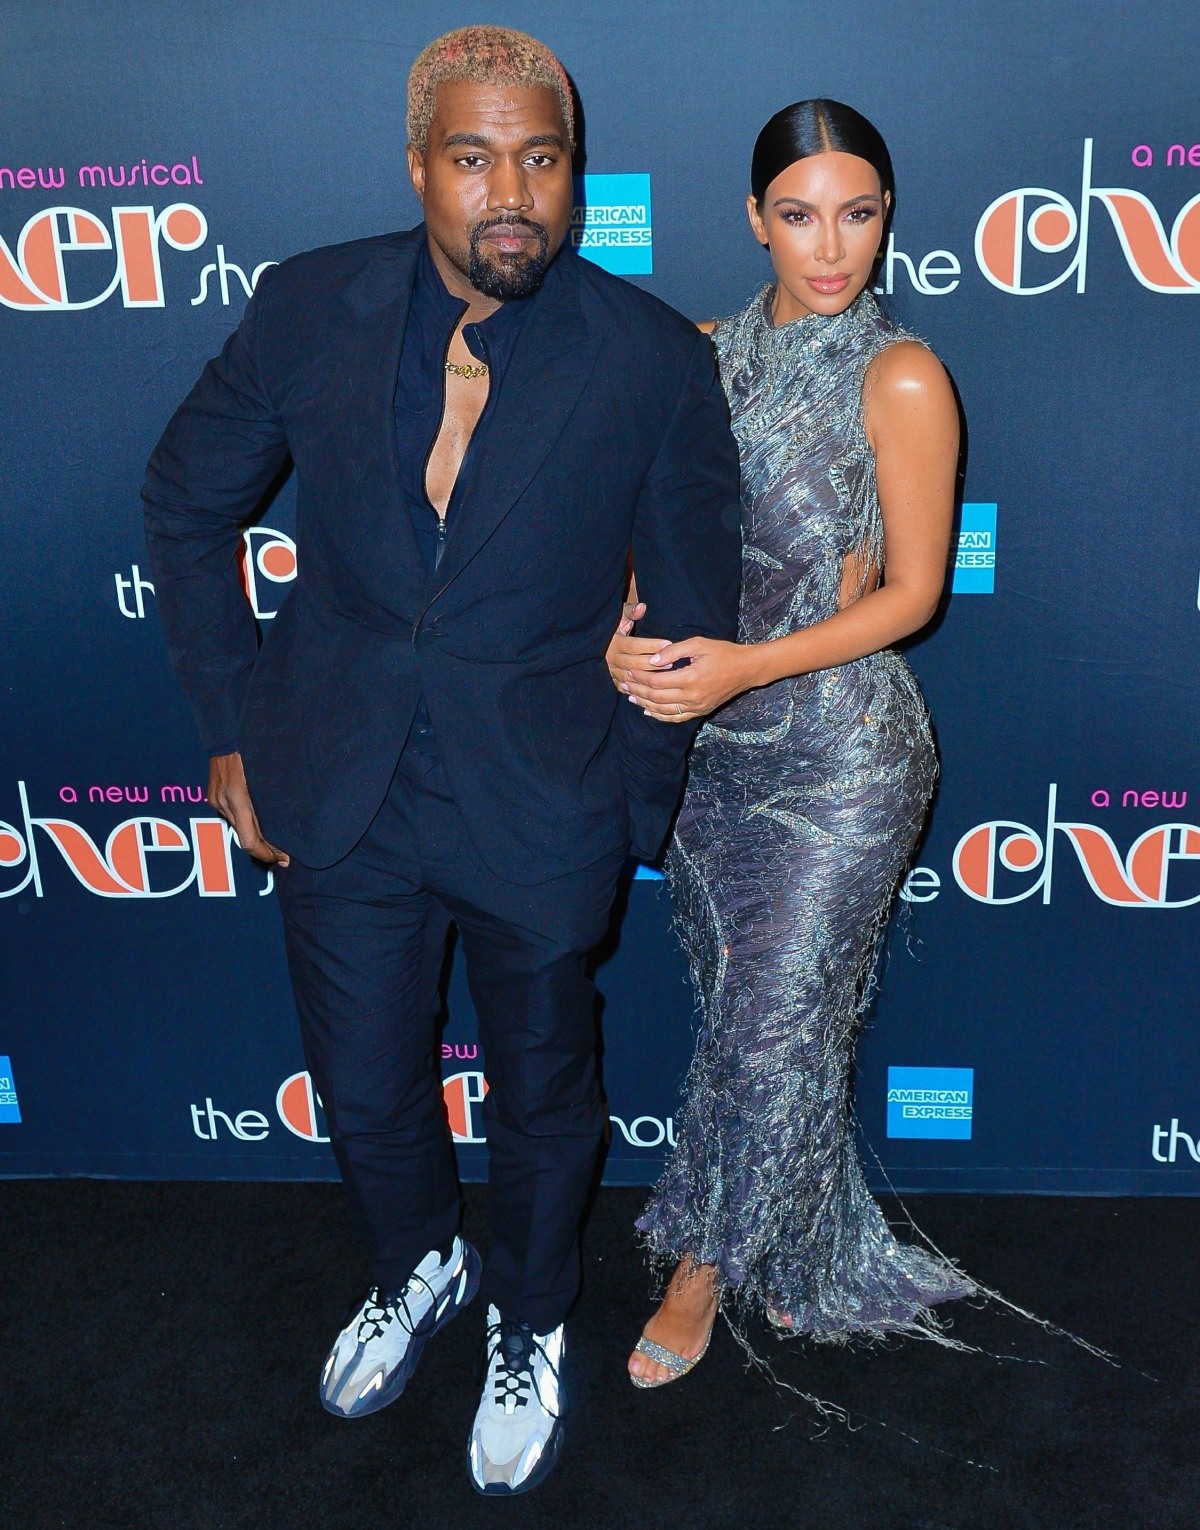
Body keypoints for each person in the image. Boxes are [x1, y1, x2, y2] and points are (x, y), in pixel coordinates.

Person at [143, 25, 741, 1491]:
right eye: (474, 159)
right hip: (336, 772)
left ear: (575, 170)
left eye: (541, 158)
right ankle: (420, 1263)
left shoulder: (652, 357)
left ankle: (529, 1315)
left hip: (541, 789)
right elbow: (182, 501)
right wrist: (231, 727)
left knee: (542, 1091)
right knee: (362, 1078)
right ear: (419, 167)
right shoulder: (305, 308)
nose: (512, 192)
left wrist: (629, 813)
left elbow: (692, 607)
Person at [607, 99, 972, 1389]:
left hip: (842, 756)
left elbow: (913, 592)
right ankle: (783, 1224)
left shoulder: (904, 374)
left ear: (886, 218)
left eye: (859, 214)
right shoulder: (691, 354)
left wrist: (750, 664)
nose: (832, 248)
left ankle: (705, 1267)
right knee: (748, 1015)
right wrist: (619, 634)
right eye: (800, 215)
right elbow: (631, 537)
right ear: (752, 220)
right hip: (709, 762)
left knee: (773, 1021)